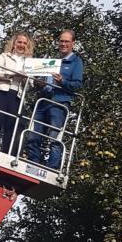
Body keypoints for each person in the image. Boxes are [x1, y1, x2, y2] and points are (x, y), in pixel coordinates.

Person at [26, 30, 84, 169]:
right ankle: (33, 163)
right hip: (43, 101)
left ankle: (51, 168)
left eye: (66, 41)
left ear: (73, 44)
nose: (63, 44)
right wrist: (38, 83)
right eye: (61, 41)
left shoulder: (76, 61)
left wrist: (62, 81)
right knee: (33, 136)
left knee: (54, 138)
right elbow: (40, 80)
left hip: (59, 103)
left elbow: (77, 85)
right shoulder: (52, 59)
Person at [0, 32, 34, 155]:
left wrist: (26, 79)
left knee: (13, 126)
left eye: (24, 43)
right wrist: (11, 74)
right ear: (14, 43)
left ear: (28, 45)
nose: (21, 45)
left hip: (17, 96)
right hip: (0, 91)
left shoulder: (30, 62)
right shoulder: (5, 56)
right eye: (19, 42)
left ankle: (7, 155)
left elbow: (30, 85)